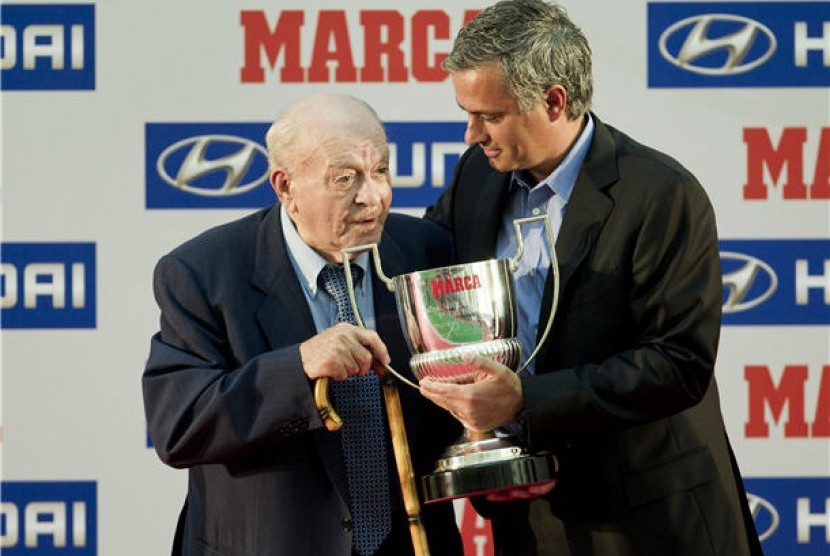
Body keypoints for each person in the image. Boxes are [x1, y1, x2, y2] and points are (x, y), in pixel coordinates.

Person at [418, 1, 763, 555]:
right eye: (467, 112)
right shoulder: (478, 175)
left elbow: (679, 363)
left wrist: (525, 399)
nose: (470, 133)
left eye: (490, 115)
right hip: (530, 518)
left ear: (554, 101)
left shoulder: (660, 194)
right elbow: (428, 264)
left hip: (648, 522)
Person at [142, 93, 463, 556]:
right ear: (285, 187)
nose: (372, 196)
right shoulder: (203, 273)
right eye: (345, 178)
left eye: (381, 172)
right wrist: (298, 368)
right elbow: (179, 425)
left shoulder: (426, 252)